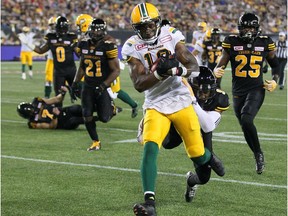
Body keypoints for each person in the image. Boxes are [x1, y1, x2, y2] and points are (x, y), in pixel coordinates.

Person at [122, 3, 224, 215]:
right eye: (142, 26)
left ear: (157, 22)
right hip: (155, 103)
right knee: (150, 147)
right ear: (135, 28)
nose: (148, 29)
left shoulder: (170, 34)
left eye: (150, 24)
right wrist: (160, 73)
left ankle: (209, 157)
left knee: (197, 153)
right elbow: (139, 84)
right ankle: (149, 202)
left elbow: (193, 64)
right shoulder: (131, 46)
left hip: (180, 99)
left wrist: (177, 69)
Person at [137, 66, 229, 203]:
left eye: (208, 90)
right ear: (192, 86)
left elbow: (207, 126)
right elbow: (158, 105)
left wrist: (193, 101)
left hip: (201, 129)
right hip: (176, 125)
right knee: (167, 143)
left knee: (204, 177)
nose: (205, 94)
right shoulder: (178, 92)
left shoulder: (219, 98)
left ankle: (191, 181)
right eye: (202, 90)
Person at [214, 12, 279, 174]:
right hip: (238, 91)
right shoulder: (231, 41)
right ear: (239, 28)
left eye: (251, 27)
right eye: (245, 28)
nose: (248, 31)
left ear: (257, 28)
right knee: (245, 126)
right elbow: (221, 62)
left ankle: (259, 155)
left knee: (247, 119)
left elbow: (275, 64)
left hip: (256, 88)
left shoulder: (265, 42)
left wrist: (275, 79)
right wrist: (216, 71)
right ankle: (257, 153)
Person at [71, 18, 120, 152]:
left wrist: (104, 85)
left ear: (103, 31)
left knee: (104, 118)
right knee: (86, 114)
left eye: (98, 30)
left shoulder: (108, 45)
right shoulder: (84, 44)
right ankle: (95, 141)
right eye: (93, 29)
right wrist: (75, 83)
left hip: (101, 85)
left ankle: (112, 108)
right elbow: (82, 66)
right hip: (87, 85)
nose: (95, 32)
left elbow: (116, 70)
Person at [18, 16, 78, 107]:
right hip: (65, 71)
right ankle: (59, 117)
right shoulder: (69, 37)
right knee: (60, 98)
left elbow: (40, 50)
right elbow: (79, 53)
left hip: (62, 71)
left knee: (72, 94)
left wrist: (28, 43)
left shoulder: (54, 37)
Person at [17, 86, 97, 129]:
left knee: (76, 108)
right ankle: (99, 117)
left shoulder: (37, 101)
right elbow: (52, 126)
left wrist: (62, 93)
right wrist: (55, 116)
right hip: (62, 123)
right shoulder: (33, 123)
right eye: (31, 112)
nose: (33, 111)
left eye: (32, 109)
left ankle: (100, 109)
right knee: (74, 120)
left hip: (64, 111)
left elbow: (56, 99)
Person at [44, 16, 56, 98]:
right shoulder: (49, 33)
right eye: (51, 25)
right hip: (51, 59)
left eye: (53, 25)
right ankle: (47, 96)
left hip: (60, 60)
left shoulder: (64, 34)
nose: (52, 27)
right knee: (48, 78)